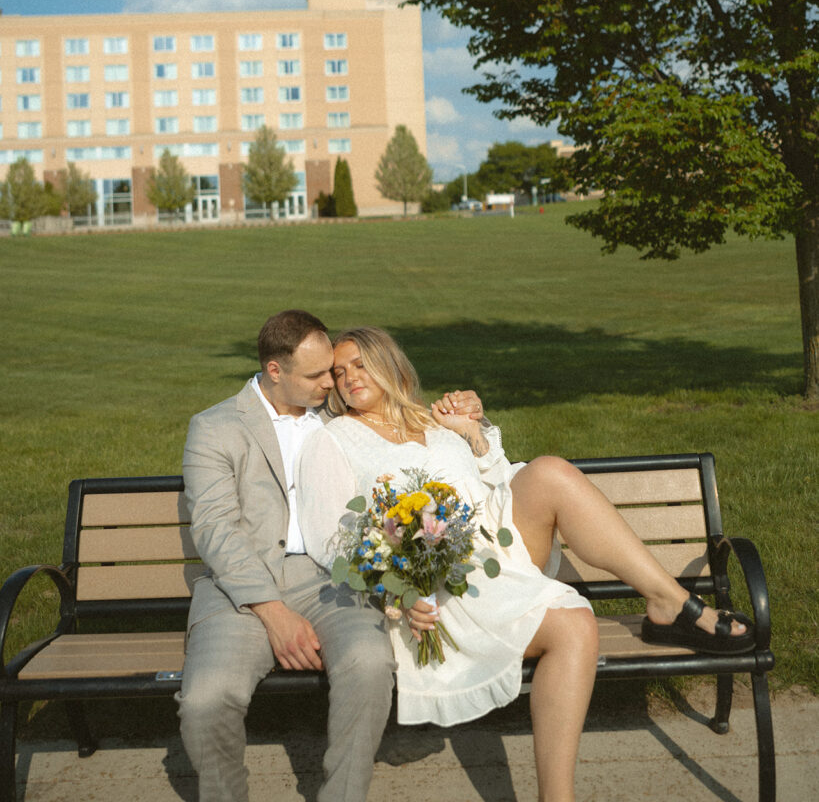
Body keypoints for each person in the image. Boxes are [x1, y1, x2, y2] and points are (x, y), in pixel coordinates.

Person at [296, 326, 754, 802]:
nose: (349, 377)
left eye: (360, 363)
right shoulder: (334, 440)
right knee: (576, 623)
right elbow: (332, 539)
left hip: (493, 547)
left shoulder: (433, 421)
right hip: (435, 586)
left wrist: (473, 434)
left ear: (388, 362)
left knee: (550, 470)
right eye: (338, 371)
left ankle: (667, 601)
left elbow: (500, 481)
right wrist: (400, 587)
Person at [177, 309, 484, 802]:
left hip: (330, 578)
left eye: (334, 371)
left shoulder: (341, 417)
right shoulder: (215, 427)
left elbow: (406, 420)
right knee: (206, 700)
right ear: (275, 371)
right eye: (319, 375)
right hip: (243, 586)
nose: (333, 384)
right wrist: (273, 612)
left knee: (367, 664)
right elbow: (215, 531)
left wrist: (469, 412)